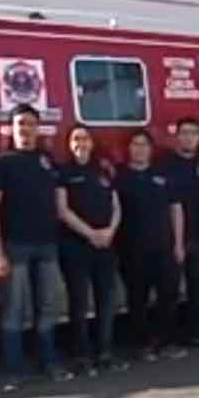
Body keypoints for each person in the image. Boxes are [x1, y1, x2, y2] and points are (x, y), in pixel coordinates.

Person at [0, 104, 73, 385]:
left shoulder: (48, 161)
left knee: (48, 307)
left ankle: (49, 361)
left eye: (31, 124)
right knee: (14, 309)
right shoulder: (1, 163)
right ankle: (15, 370)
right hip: (15, 246)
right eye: (21, 124)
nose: (26, 130)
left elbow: (61, 205)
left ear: (38, 128)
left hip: (47, 245)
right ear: (11, 128)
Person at [56, 125, 129, 377]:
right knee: (79, 302)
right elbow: (62, 210)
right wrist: (90, 234)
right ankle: (81, 355)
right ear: (69, 144)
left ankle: (105, 353)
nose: (81, 143)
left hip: (106, 245)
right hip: (75, 246)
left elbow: (116, 205)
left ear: (91, 142)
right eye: (75, 139)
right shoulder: (63, 172)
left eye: (84, 138)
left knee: (105, 302)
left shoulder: (103, 171)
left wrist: (110, 231)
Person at [115, 130, 189, 362]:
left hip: (164, 246)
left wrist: (178, 243)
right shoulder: (120, 178)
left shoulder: (162, 176)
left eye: (144, 144)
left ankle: (166, 342)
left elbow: (176, 210)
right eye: (135, 144)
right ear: (129, 149)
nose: (139, 149)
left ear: (150, 149)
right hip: (132, 249)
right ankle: (143, 344)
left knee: (168, 295)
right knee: (138, 298)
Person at [160, 118, 199, 347]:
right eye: (184, 133)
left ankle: (196, 331)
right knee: (170, 290)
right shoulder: (166, 165)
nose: (189, 137)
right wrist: (176, 241)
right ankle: (169, 336)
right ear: (177, 136)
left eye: (193, 133)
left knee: (197, 288)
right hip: (174, 237)